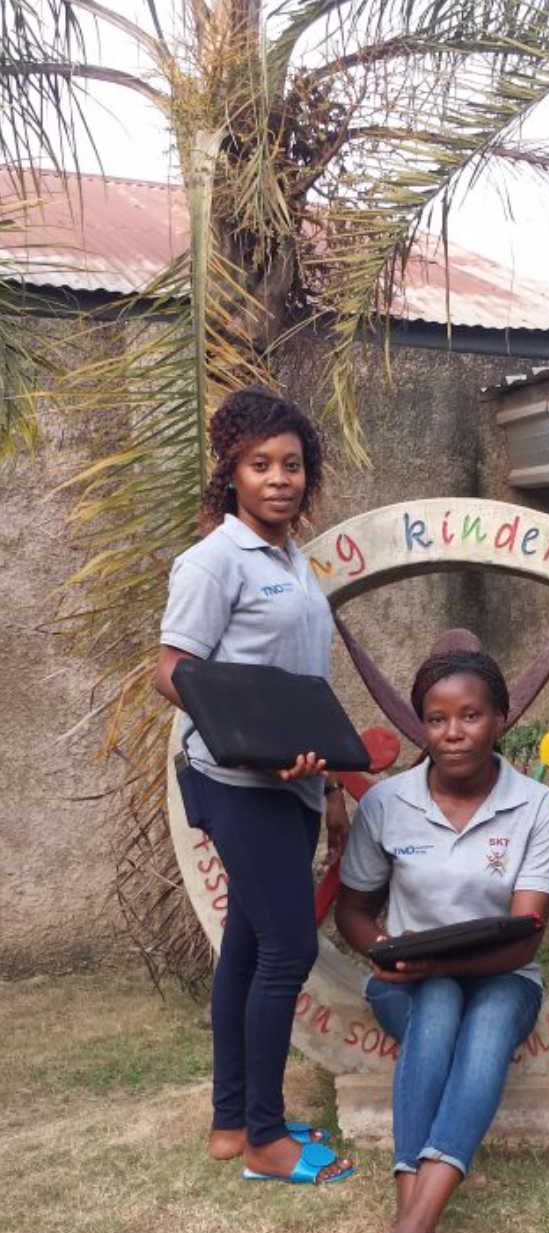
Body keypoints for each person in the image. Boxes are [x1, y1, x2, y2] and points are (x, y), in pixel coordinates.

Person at [336, 648, 549, 1233]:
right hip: (408, 985)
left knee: (489, 1017)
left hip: (505, 977)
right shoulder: (385, 804)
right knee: (437, 1006)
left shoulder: (538, 806)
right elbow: (352, 910)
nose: (454, 731)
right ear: (420, 728)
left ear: (501, 719)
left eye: (471, 715)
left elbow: (527, 935)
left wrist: (439, 957)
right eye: (436, 719)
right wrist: (384, 950)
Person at [154, 385, 353, 1186]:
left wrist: (329, 782)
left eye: (293, 465)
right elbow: (174, 671)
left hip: (296, 784)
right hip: (241, 783)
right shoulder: (211, 562)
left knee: (246, 943)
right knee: (289, 947)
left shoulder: (295, 563)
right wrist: (253, 746)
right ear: (230, 473)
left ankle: (231, 1121)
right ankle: (270, 1142)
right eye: (260, 464)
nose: (280, 479)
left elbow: (305, 684)